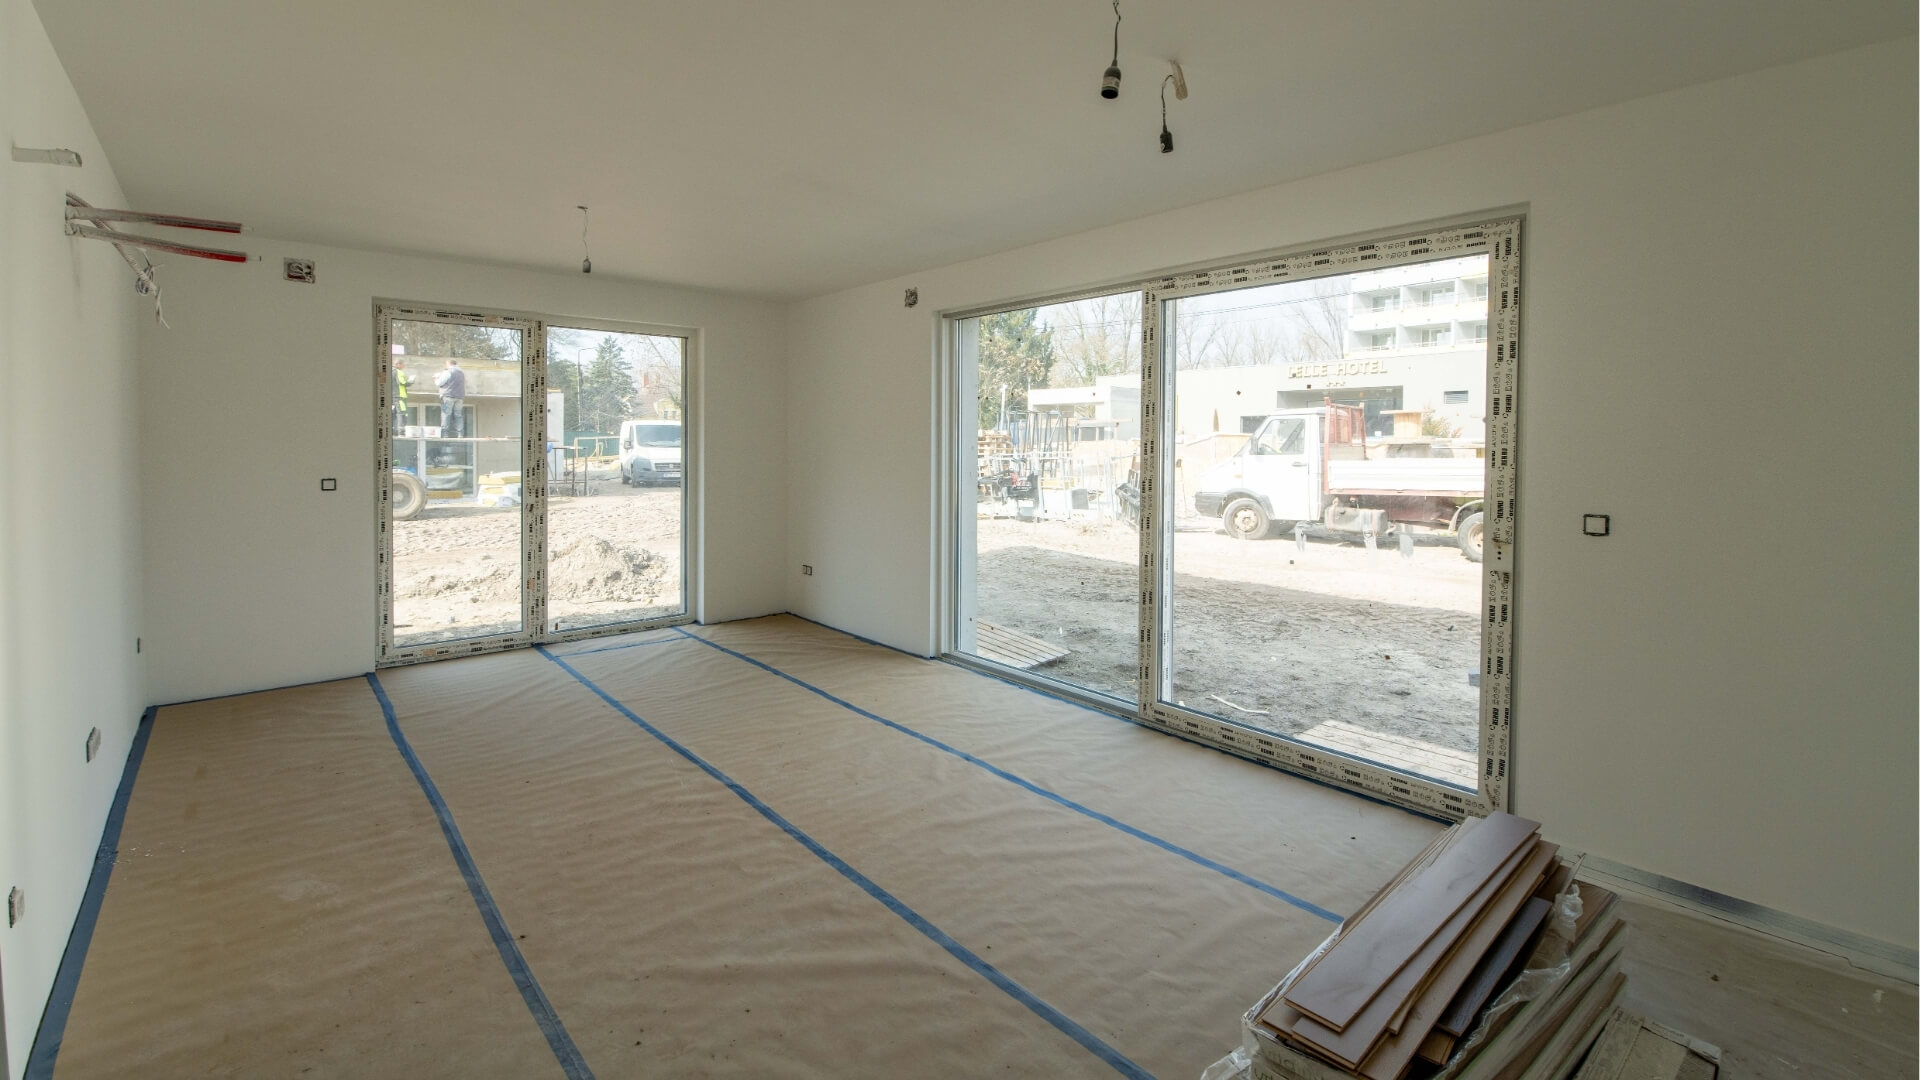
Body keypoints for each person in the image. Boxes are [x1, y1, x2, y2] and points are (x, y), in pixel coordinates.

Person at [435, 359, 466, 438]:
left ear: (448, 364)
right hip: (459, 397)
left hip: (448, 396)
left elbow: (439, 383)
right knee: (458, 415)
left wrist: (436, 378)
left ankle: (445, 433)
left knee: (446, 414)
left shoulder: (448, 371)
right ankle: (460, 433)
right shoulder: (461, 372)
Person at [391, 359, 411, 434]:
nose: (404, 366)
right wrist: (410, 382)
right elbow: (402, 382)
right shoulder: (398, 372)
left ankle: (394, 431)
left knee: (394, 413)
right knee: (401, 413)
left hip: (393, 396)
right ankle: (401, 431)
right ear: (398, 364)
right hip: (400, 396)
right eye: (403, 364)